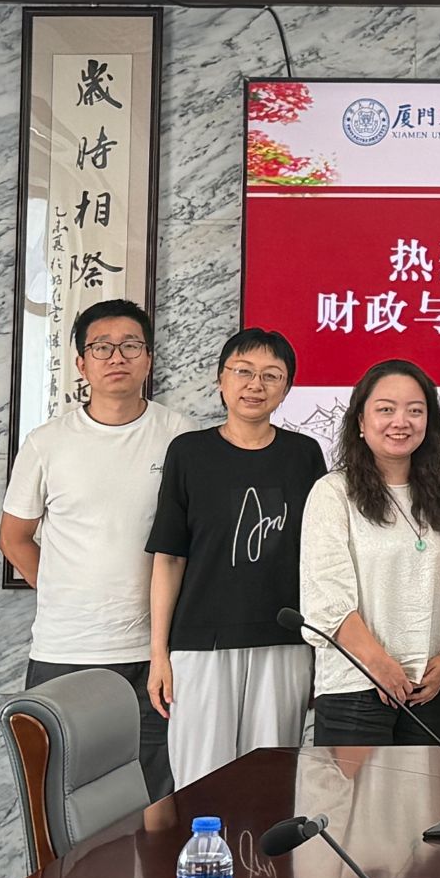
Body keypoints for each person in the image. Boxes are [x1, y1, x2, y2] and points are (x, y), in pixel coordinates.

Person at [0, 299, 190, 800]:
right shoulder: (47, 442)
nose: (117, 357)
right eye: (102, 347)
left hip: (154, 654)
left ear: (149, 359)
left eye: (130, 346)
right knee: (62, 798)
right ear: (81, 364)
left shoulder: (180, 437)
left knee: (154, 797)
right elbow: (14, 537)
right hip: (65, 651)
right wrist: (61, 589)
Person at [145, 328, 326, 787]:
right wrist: (159, 653)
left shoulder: (304, 455)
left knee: (271, 782)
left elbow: (320, 559)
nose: (255, 385)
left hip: (283, 643)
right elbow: (169, 558)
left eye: (271, 375)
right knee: (200, 782)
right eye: (243, 371)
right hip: (200, 644)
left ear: (286, 388)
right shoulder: (189, 453)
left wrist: (318, 655)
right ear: (221, 379)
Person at [299, 359, 440, 744]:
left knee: (425, 788)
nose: (400, 422)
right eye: (386, 409)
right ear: (360, 421)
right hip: (356, 685)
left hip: (427, 689)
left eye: (415, 411)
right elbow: (327, 600)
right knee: (352, 789)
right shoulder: (333, 493)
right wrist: (381, 666)